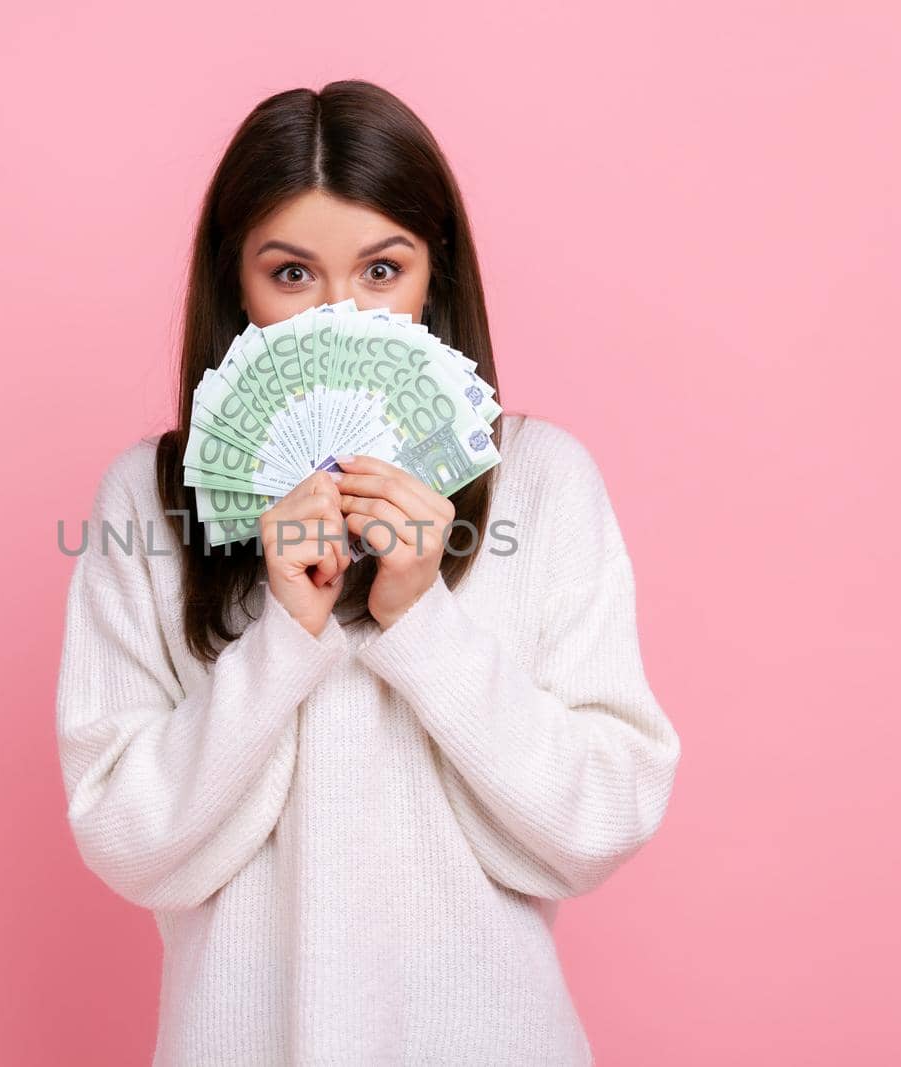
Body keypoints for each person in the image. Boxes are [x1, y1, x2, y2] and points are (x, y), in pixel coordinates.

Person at [54, 79, 682, 1066]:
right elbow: (131, 842)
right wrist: (282, 641)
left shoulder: (541, 481)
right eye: (292, 274)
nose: (339, 315)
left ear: (434, 275)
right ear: (238, 286)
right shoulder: (146, 498)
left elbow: (596, 820)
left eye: (381, 268)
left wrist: (417, 619)